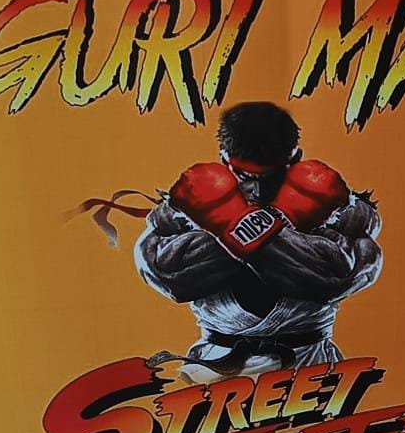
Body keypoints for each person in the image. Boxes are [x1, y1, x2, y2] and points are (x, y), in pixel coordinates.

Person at [135, 102, 382, 382]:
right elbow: (170, 278)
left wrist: (245, 225)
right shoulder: (185, 205)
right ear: (225, 161)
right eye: (246, 176)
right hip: (217, 366)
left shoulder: (337, 206)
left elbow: (336, 279)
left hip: (311, 365)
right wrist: (248, 222)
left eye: (273, 176)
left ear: (296, 159)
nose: (259, 189)